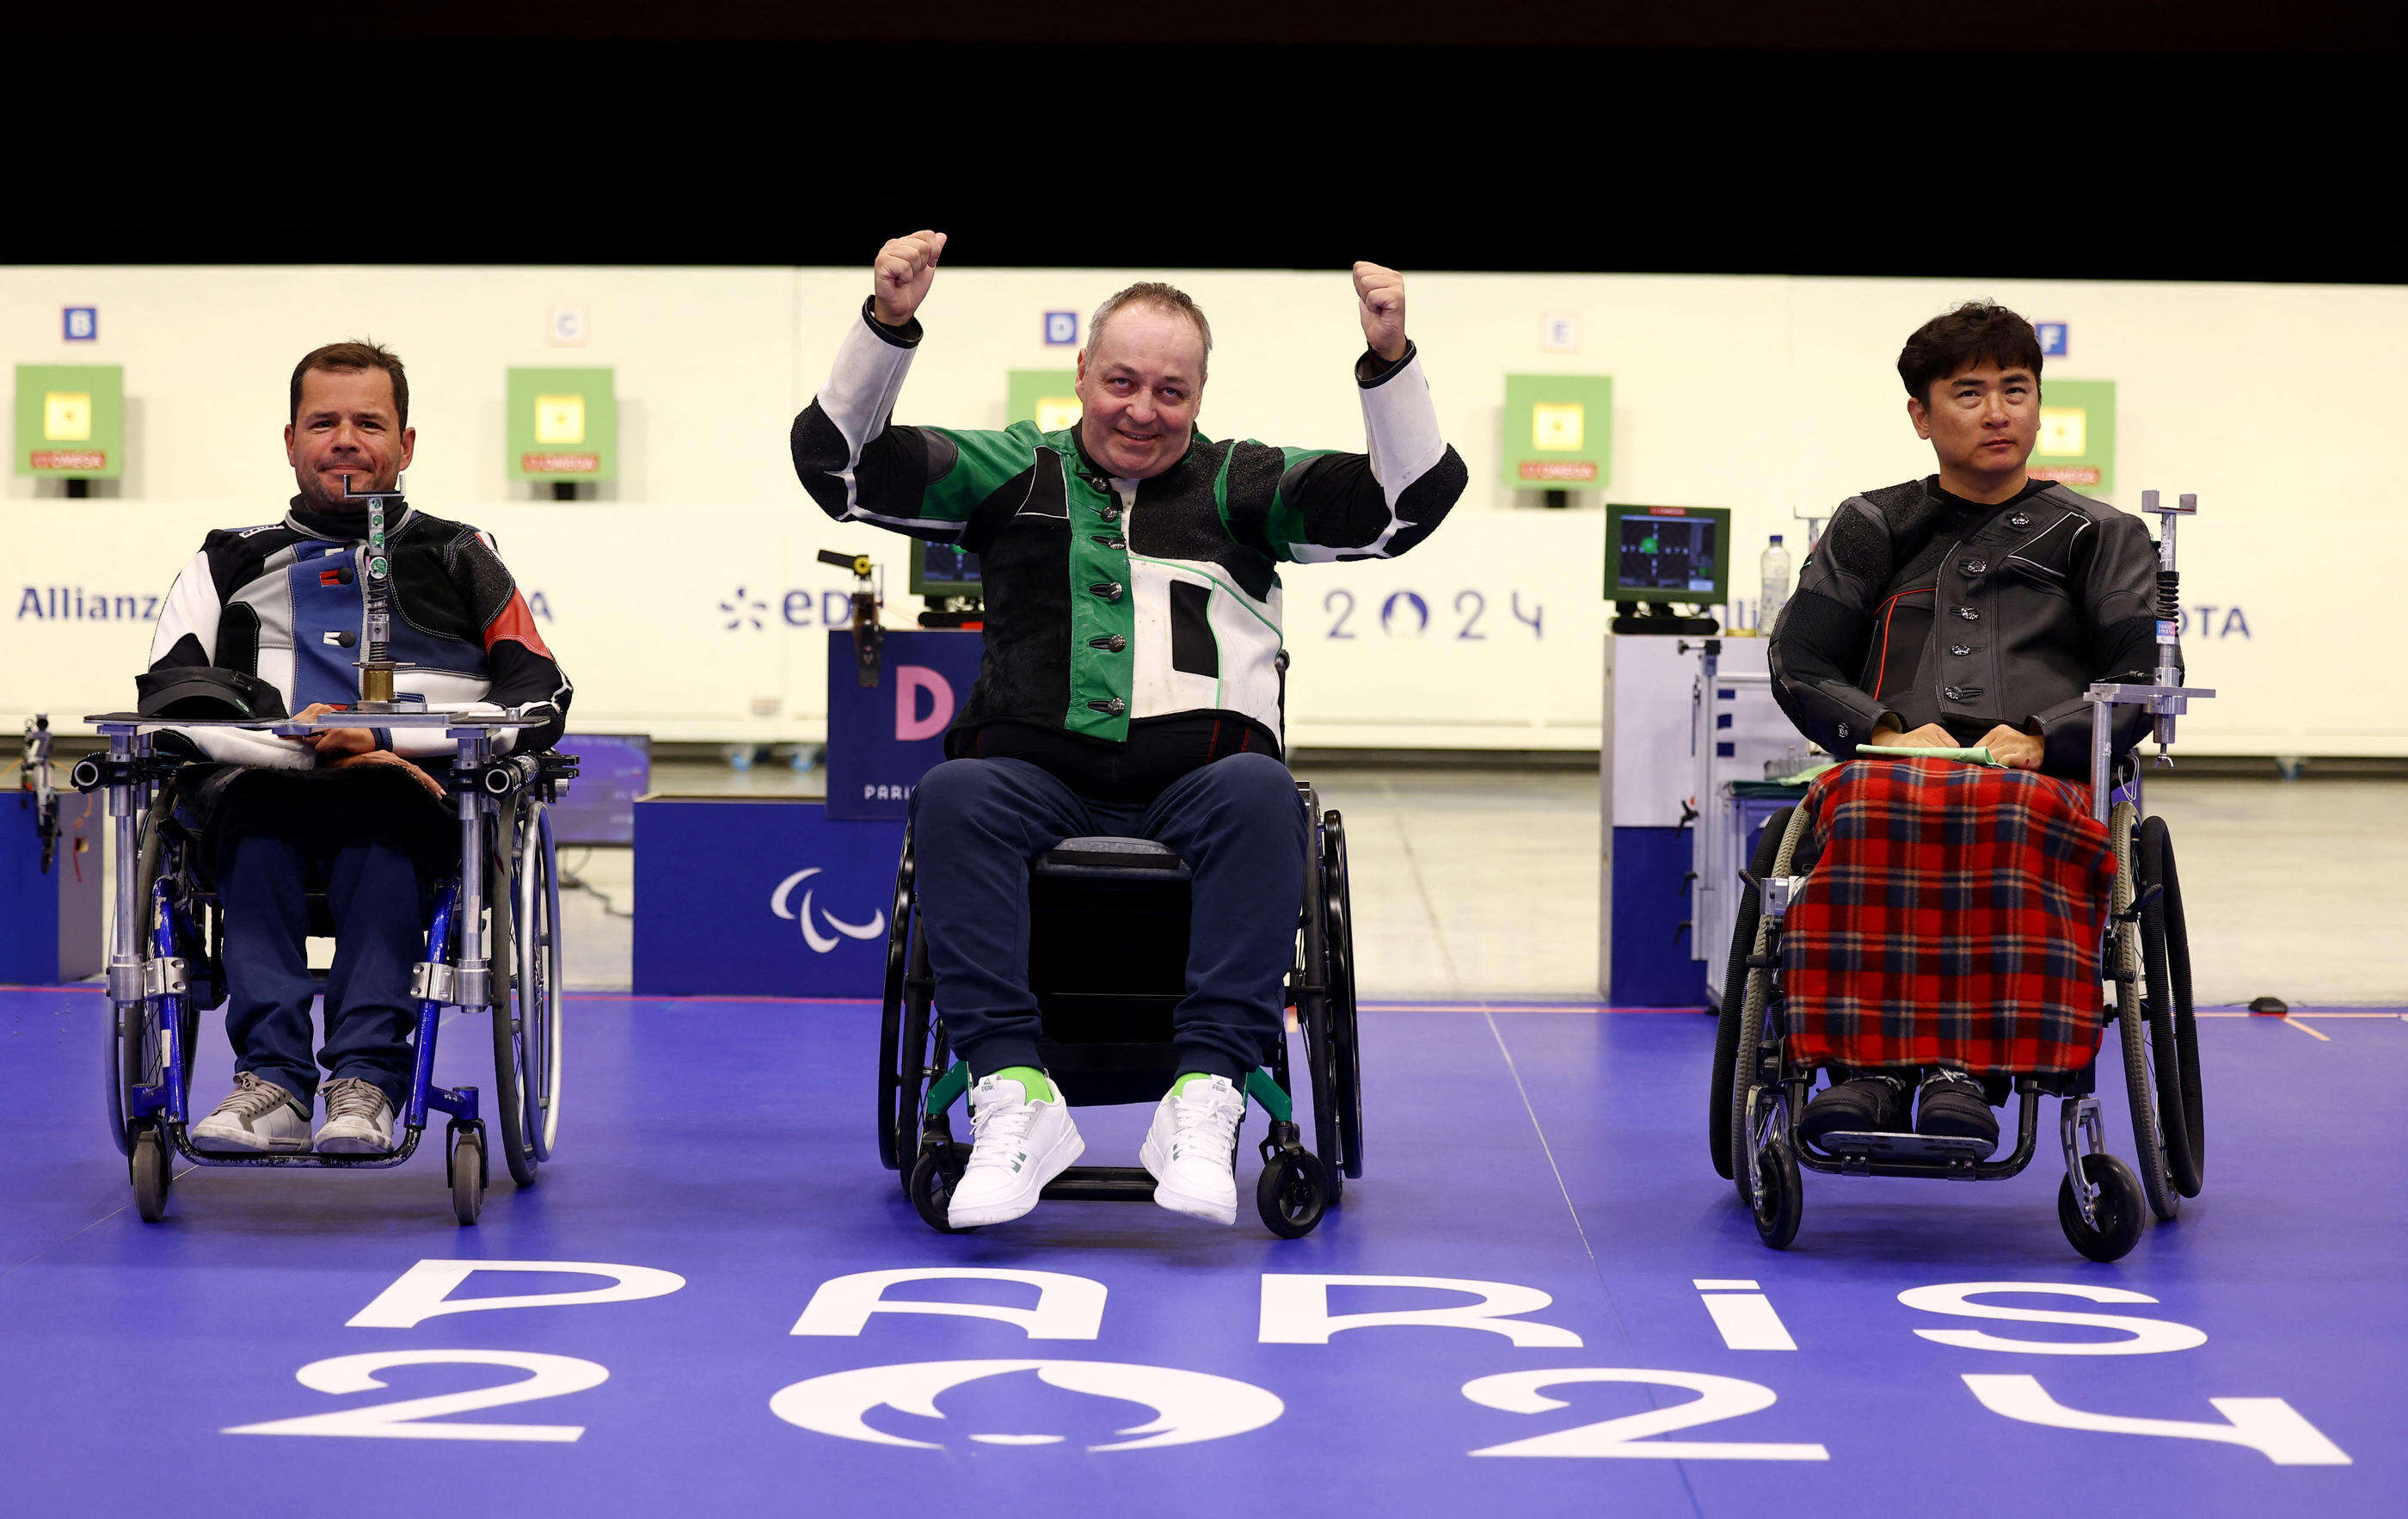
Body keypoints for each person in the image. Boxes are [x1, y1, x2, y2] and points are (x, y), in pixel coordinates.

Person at [793, 232, 1465, 1227]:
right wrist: (886, 326)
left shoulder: (1245, 482)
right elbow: (840, 472)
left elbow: (1407, 507)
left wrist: (1389, 365)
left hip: (1204, 776)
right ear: (1081, 374)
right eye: (1121, 382)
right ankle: (1015, 1093)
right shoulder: (1012, 468)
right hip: (1030, 774)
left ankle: (1205, 1097)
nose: (1142, 410)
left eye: (1169, 391)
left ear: (1198, 394)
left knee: (1259, 794)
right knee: (954, 795)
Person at [148, 341, 571, 1155]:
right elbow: (170, 699)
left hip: (406, 799)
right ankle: (269, 1082)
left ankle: (366, 1084)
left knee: (381, 813)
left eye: (368, 422)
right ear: (291, 439)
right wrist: (295, 737)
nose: (345, 439)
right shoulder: (223, 560)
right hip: (259, 792)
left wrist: (381, 740)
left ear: (405, 444)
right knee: (255, 814)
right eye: (324, 422)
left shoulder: (461, 554)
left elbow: (541, 698)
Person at [1767, 302, 2165, 1148]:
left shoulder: (2106, 535)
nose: (1997, 412)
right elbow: (1798, 664)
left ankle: (1967, 1074)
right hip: (1889, 768)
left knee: (2011, 815)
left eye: (2015, 390)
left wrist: (2043, 734)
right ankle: (1865, 1069)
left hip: (2035, 780)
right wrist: (1883, 728)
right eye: (1970, 392)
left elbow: (2140, 680)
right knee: (1869, 808)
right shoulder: (1869, 525)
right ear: (1921, 414)